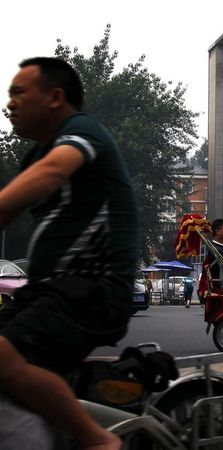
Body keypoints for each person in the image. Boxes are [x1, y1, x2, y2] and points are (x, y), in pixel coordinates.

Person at [0, 57, 139, 449]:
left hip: (93, 287)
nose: (9, 102)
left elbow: (52, 173)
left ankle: (98, 441)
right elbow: (8, 211)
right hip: (49, 290)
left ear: (55, 97)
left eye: (18, 92)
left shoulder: (82, 131)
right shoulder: (33, 156)